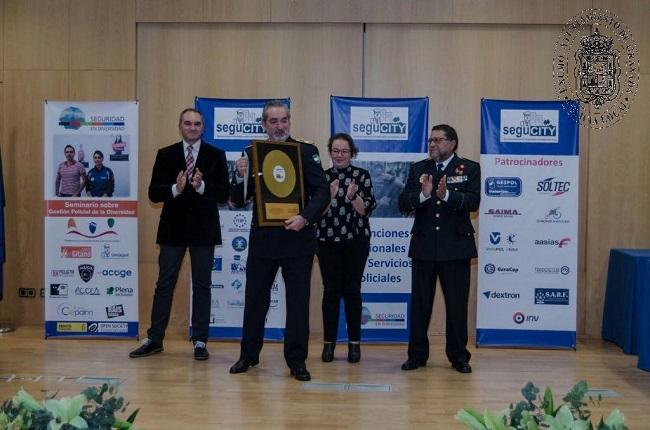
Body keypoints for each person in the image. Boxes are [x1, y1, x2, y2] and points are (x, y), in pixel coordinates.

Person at [229, 100, 329, 381]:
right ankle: (248, 355)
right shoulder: (251, 153)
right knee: (255, 300)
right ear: (263, 124)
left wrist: (305, 217)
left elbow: (322, 192)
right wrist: (239, 175)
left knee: (298, 304)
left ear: (289, 121)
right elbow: (237, 200)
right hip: (264, 241)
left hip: (298, 239)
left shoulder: (306, 151)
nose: (279, 126)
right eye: (272, 121)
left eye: (283, 120)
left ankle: (297, 360)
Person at [129, 108, 229, 361]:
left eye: (197, 124)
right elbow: (153, 193)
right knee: (164, 284)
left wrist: (201, 186)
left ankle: (200, 340)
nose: (193, 128)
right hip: (173, 230)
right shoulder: (166, 154)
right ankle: (155, 338)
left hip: (204, 230)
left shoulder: (216, 155)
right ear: (180, 126)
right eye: (188, 123)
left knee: (203, 286)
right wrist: (176, 187)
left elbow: (224, 194)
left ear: (203, 128)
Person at [398, 124, 480, 374]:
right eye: (430, 140)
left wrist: (446, 197)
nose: (433, 144)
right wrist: (423, 196)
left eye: (438, 140)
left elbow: (474, 202)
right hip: (423, 246)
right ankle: (417, 356)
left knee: (456, 305)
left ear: (452, 143)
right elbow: (403, 202)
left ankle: (458, 357)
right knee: (420, 305)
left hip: (455, 247)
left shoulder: (469, 168)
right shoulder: (419, 169)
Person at [317, 133, 376, 364]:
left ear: (352, 153)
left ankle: (354, 345)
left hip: (356, 241)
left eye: (345, 151)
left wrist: (353, 197)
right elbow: (314, 214)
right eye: (335, 151)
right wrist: (328, 198)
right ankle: (328, 344)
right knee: (330, 291)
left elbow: (364, 210)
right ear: (330, 152)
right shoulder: (321, 177)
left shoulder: (362, 175)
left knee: (352, 291)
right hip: (327, 241)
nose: (340, 155)